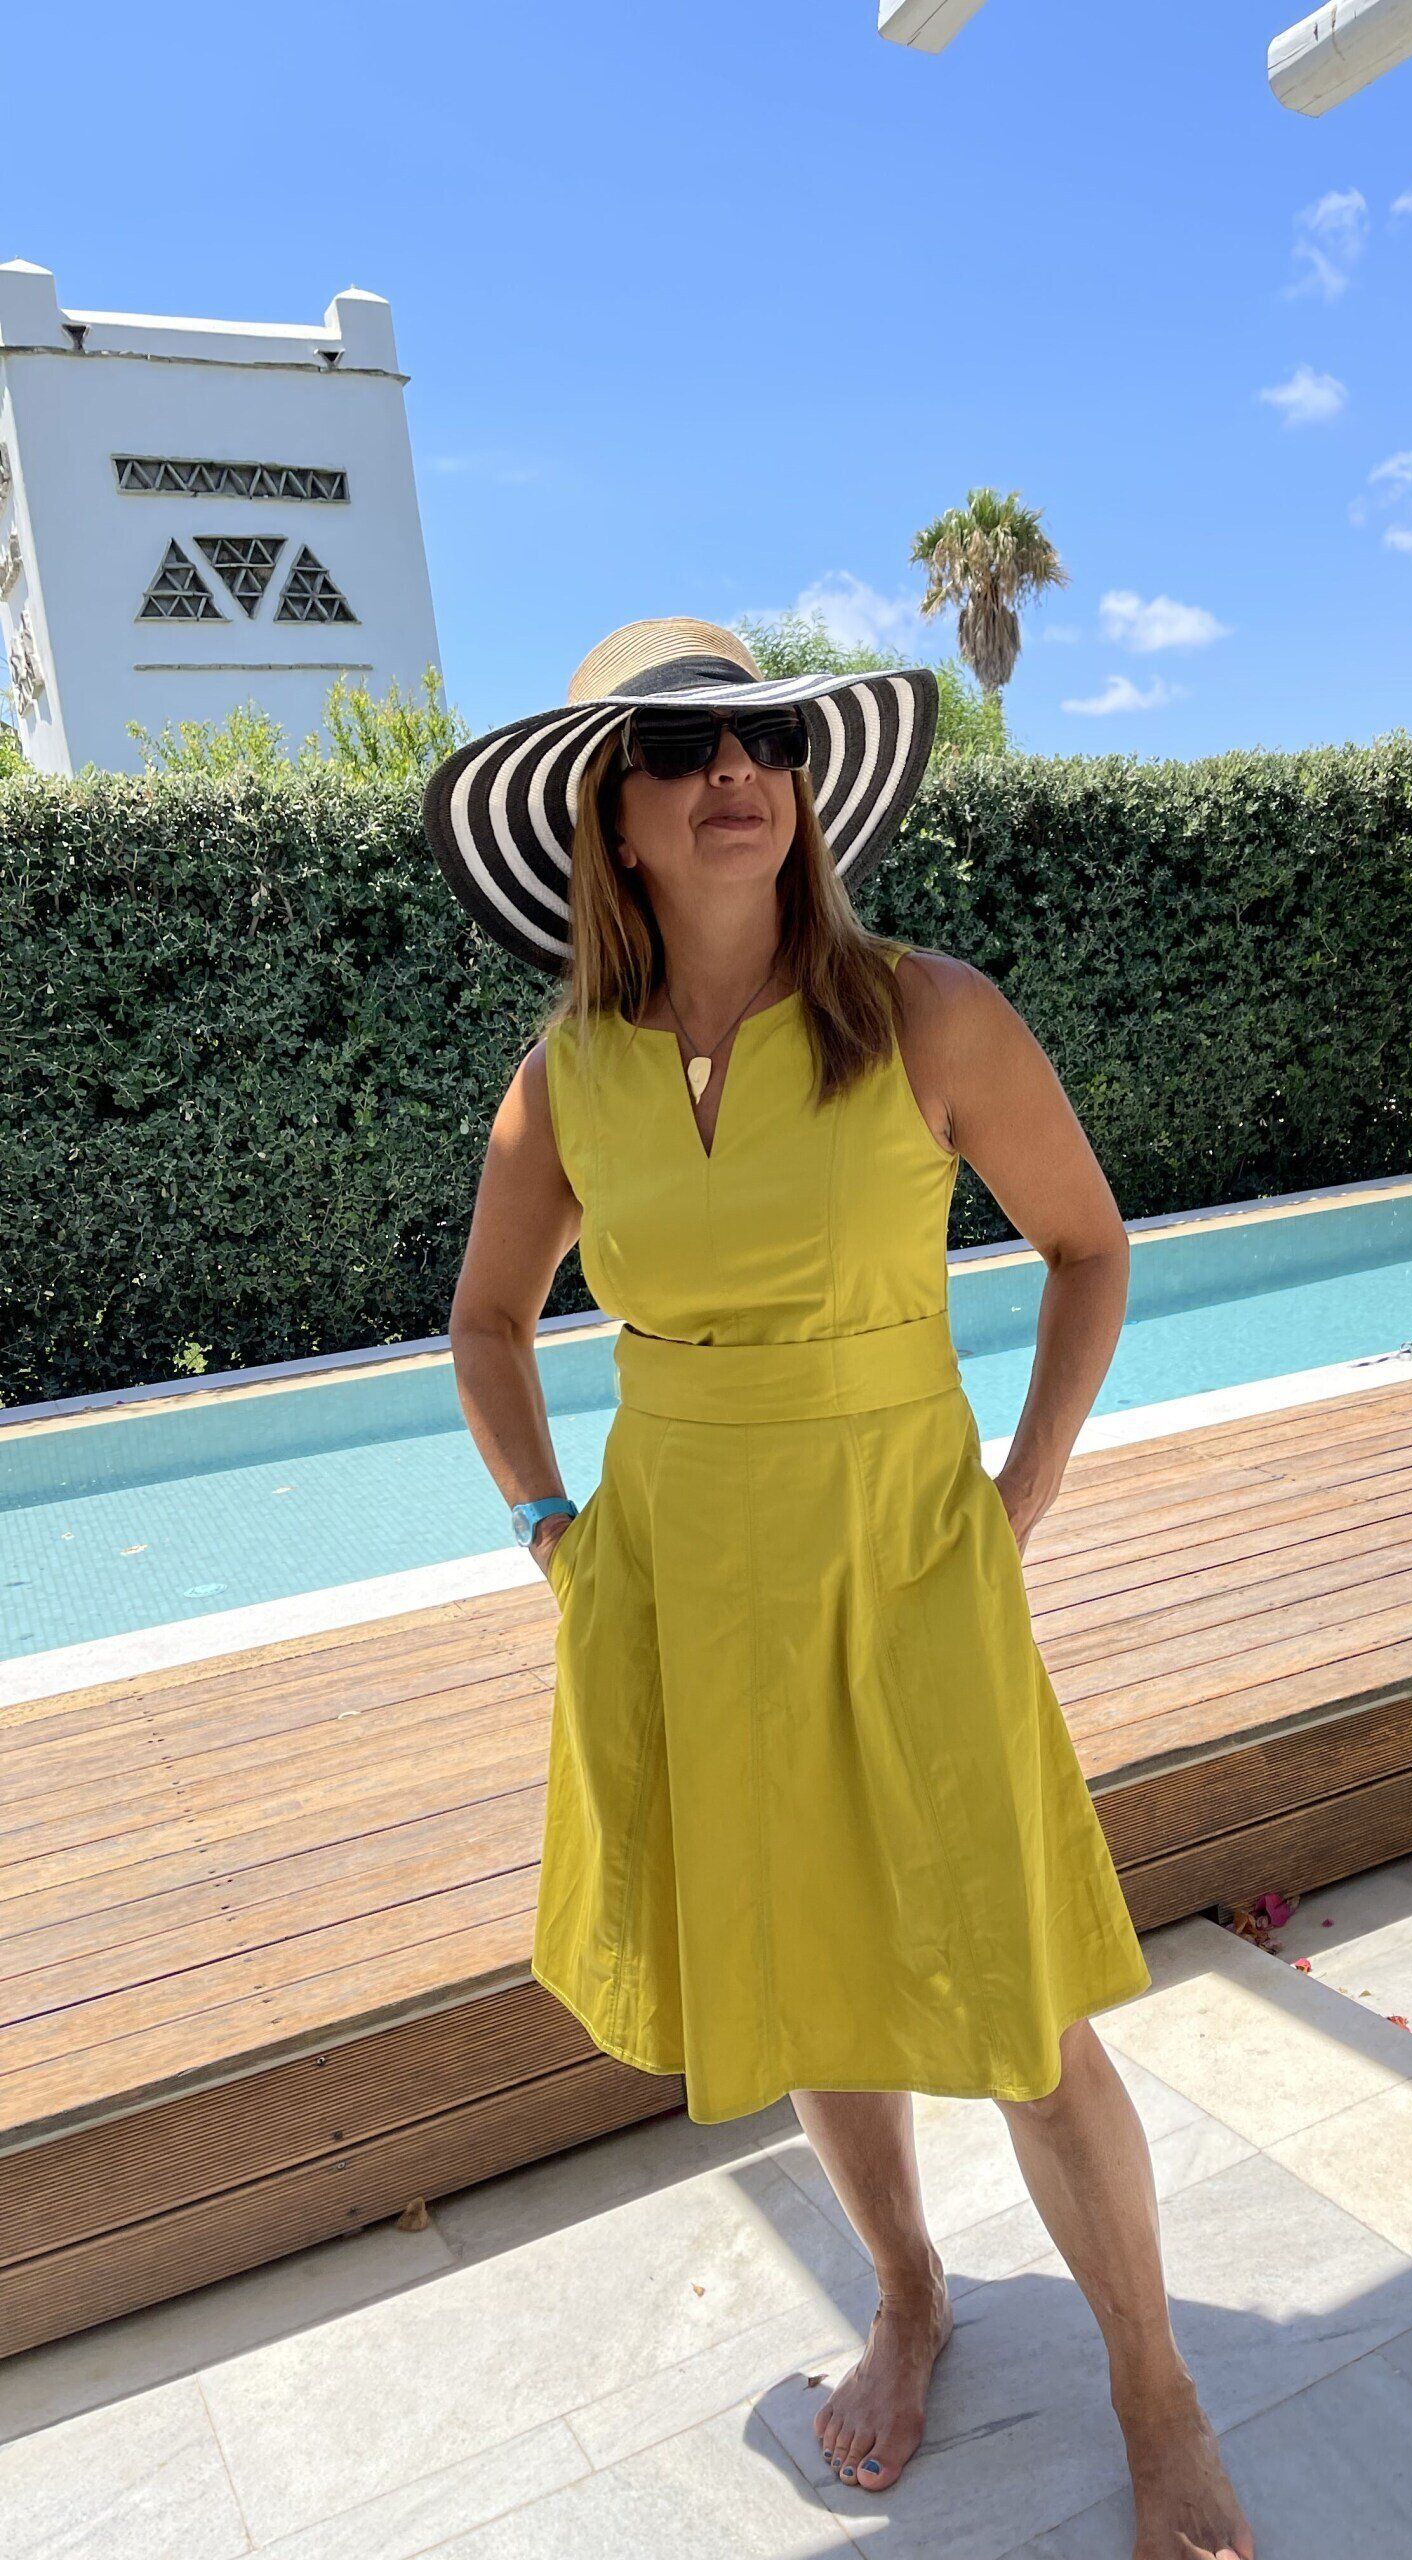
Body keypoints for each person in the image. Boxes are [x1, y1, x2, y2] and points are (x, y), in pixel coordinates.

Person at [425, 618, 1253, 2560]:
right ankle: (907, 2291)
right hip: (681, 1581)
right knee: (813, 1988)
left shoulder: (927, 1013)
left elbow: (1087, 1248)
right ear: (610, 818)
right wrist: (554, 1526)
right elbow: (482, 1320)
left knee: (1021, 1998)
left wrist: (1022, 1485)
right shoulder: (567, 1083)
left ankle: (1157, 2380)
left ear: (802, 785)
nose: (735, 767)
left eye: (766, 735)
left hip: (905, 1558)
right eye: (682, 743)